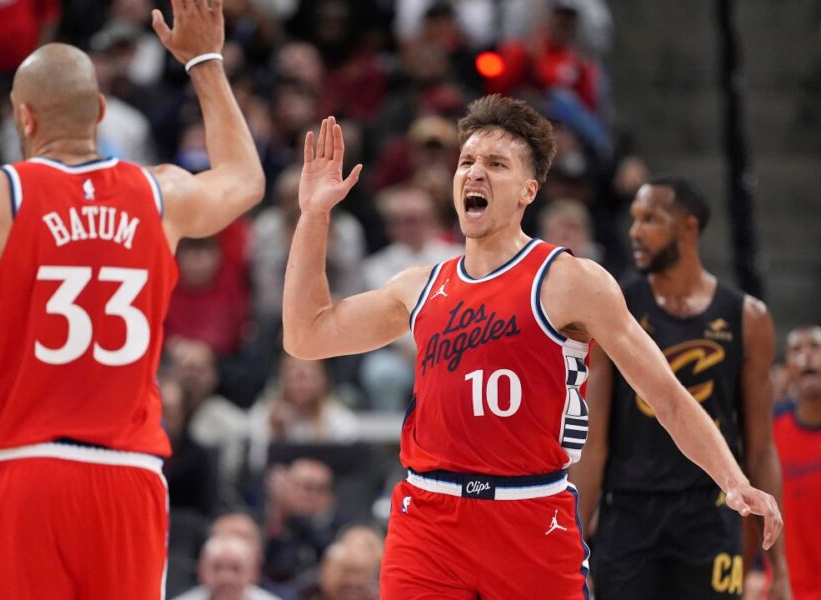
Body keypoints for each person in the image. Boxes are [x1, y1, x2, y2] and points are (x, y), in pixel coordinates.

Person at [281, 99, 782, 598]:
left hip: (531, 517)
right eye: (467, 162)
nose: (475, 173)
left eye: (495, 164)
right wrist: (315, 214)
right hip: (428, 519)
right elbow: (306, 335)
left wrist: (733, 480)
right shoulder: (418, 285)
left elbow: (667, 395)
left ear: (528, 191)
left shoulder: (570, 281)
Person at [0, 1, 265, 598]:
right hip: (129, 479)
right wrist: (204, 62)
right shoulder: (160, 194)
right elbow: (244, 179)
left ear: (24, 118)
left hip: (23, 473)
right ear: (100, 112)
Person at [570, 176, 790, 600]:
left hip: (710, 513)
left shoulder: (748, 317)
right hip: (629, 513)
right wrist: (573, 544)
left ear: (688, 227)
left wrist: (776, 566)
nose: (634, 231)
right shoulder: (615, 307)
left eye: (650, 219)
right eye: (633, 219)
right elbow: (592, 442)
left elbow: (760, 448)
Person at [772, 325, 821, 599]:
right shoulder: (769, 434)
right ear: (788, 369)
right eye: (796, 350)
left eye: (815, 346)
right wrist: (747, 571)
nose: (806, 356)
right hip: (786, 591)